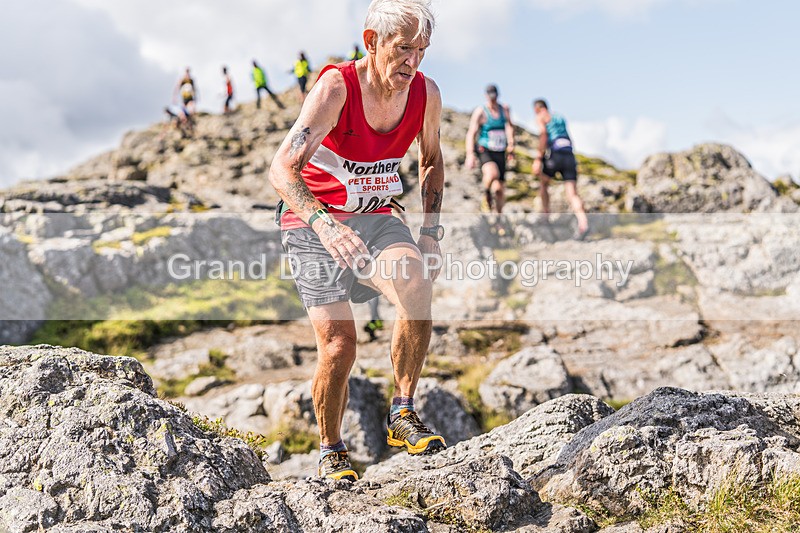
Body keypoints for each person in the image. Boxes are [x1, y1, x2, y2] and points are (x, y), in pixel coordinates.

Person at [269, 0, 446, 481]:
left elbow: (431, 158)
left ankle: (402, 413)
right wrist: (325, 224)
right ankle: (330, 447)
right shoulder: (335, 88)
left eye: (422, 50)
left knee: (416, 285)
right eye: (404, 49)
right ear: (372, 41)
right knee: (339, 346)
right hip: (313, 222)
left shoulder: (425, 94)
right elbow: (281, 169)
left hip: (376, 216)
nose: (414, 62)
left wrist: (429, 231)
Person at [532, 99, 589, 240]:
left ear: (537, 109)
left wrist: (538, 158)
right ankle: (583, 222)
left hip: (554, 155)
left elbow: (544, 135)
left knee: (544, 183)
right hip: (569, 155)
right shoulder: (560, 117)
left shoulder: (541, 116)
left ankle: (545, 215)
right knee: (572, 193)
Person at [465, 84, 515, 233]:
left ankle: (498, 219)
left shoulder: (504, 109)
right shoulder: (481, 111)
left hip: (500, 151)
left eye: (495, 96)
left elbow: (510, 126)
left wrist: (511, 145)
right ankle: (486, 195)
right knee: (492, 174)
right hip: (485, 149)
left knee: (500, 190)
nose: (493, 99)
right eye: (490, 96)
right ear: (486, 96)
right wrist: (470, 154)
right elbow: (471, 133)